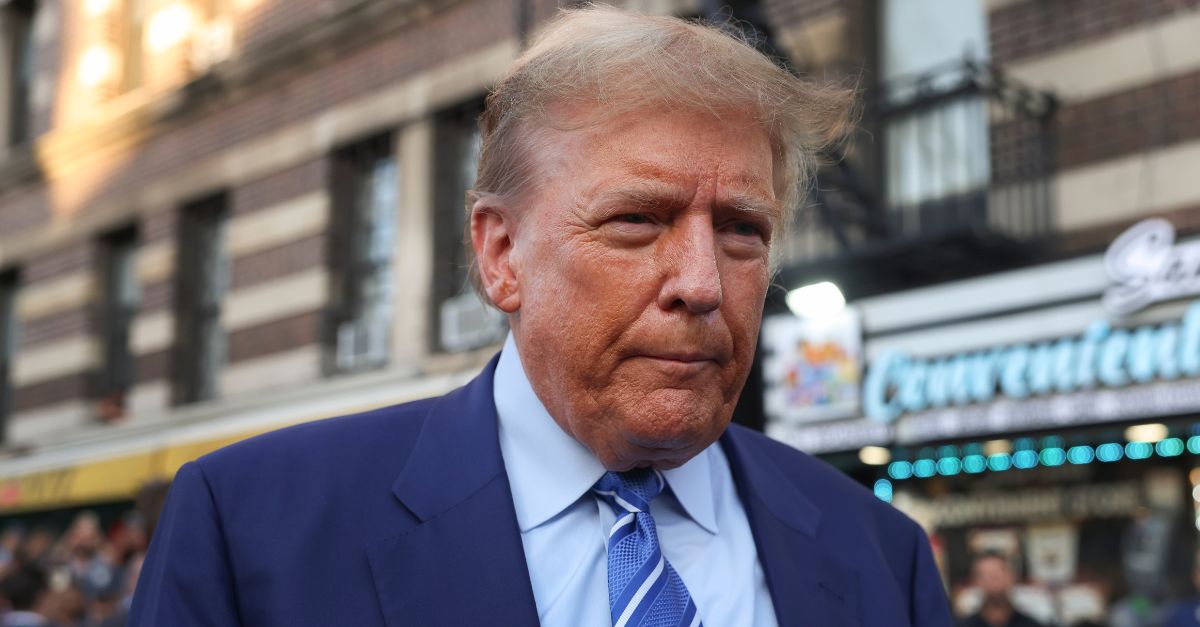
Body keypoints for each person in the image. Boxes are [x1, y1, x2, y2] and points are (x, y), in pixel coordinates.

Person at [129, 6, 952, 626]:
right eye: (637, 220)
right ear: (500, 253)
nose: (702, 282)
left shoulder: (882, 557)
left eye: (743, 230)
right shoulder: (251, 531)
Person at [959, 553, 1047, 627]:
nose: (991, 582)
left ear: (1012, 577)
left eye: (996, 576)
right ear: (975, 582)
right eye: (984, 577)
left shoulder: (1031, 625)